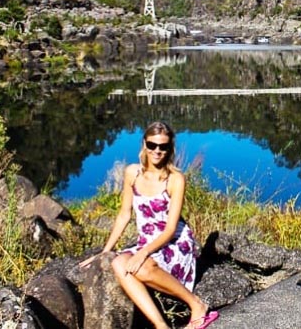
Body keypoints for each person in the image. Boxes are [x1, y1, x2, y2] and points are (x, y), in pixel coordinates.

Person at [79, 121, 219, 329]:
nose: (157, 151)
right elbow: (124, 215)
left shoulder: (175, 179)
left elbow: (171, 229)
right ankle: (160, 324)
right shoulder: (132, 173)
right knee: (118, 264)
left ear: (170, 148)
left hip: (173, 243)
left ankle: (196, 305)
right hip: (147, 240)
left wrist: (142, 253)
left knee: (140, 268)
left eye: (163, 146)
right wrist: (104, 252)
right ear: (144, 144)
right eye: (152, 145)